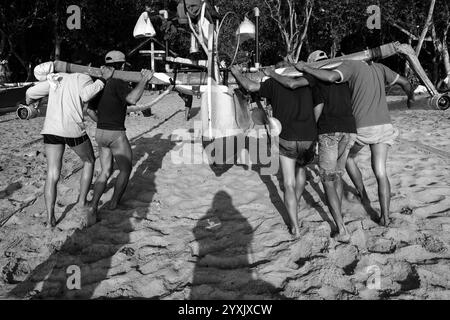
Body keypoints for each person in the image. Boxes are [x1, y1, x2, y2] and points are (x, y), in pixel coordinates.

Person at [295, 57, 414, 226]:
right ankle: (385, 217)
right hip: (384, 125)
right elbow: (405, 82)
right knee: (381, 172)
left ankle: (363, 194)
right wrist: (410, 98)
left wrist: (306, 67)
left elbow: (330, 77)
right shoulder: (380, 68)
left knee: (348, 158)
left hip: (363, 127)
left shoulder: (351, 64)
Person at [264, 50, 357, 241]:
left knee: (327, 181)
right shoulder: (342, 78)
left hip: (328, 131)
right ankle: (340, 212)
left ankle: (341, 228)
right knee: (337, 175)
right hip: (349, 129)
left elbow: (293, 84)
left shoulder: (313, 79)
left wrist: (272, 73)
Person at [231, 63, 323, 237]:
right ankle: (295, 202)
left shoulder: (273, 83)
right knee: (301, 168)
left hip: (286, 138)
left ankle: (295, 227)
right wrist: (314, 125)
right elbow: (319, 105)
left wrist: (236, 73)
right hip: (308, 136)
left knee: (288, 183)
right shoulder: (309, 82)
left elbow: (250, 86)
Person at [25, 61, 113, 228]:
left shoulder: (56, 78)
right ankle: (81, 202)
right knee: (89, 161)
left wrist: (32, 102)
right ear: (87, 66)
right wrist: (103, 80)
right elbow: (86, 95)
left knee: (52, 174)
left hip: (51, 129)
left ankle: (50, 219)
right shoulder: (84, 76)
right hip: (72, 129)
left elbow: (30, 93)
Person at [87, 50, 154, 220]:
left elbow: (88, 110)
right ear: (122, 65)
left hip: (100, 133)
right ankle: (114, 202)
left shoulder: (100, 82)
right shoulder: (118, 81)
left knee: (105, 171)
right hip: (115, 133)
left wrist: (102, 123)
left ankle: (93, 206)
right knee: (125, 169)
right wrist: (144, 79)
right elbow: (132, 99)